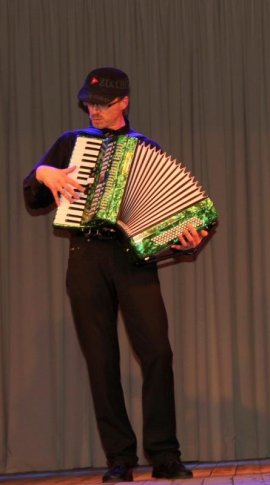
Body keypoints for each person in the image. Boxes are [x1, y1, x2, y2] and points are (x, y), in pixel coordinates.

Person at [23, 67, 205, 483]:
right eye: (89, 103)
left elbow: (167, 217)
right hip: (86, 257)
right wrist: (42, 173)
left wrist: (185, 241)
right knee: (101, 359)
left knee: (157, 352)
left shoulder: (146, 148)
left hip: (133, 261)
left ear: (124, 101)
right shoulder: (71, 143)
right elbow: (34, 198)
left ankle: (165, 455)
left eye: (103, 103)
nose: (94, 110)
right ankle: (119, 458)